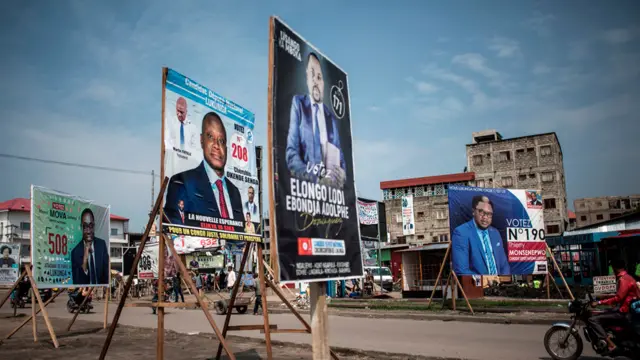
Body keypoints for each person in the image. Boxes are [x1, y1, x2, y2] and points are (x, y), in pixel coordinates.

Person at [165, 112, 244, 223]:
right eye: (210, 137)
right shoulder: (182, 182)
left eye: (221, 141)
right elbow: (174, 231)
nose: (217, 145)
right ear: (202, 140)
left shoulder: (235, 192)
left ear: (226, 148)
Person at [285, 52, 346, 188]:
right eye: (311, 75)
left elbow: (341, 160)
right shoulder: (299, 104)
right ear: (307, 79)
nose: (315, 81)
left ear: (323, 83)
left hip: (330, 196)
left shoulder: (331, 117)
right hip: (306, 193)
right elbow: (291, 154)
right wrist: (316, 180)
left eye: (319, 77)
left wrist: (342, 174)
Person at [589, 259, 640, 352]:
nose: (612, 271)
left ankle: (610, 344)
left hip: (623, 311)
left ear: (615, 268)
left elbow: (618, 298)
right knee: (605, 312)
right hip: (627, 309)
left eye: (612, 268)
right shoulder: (628, 277)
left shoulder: (623, 279)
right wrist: (603, 297)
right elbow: (621, 294)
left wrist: (599, 303)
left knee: (593, 319)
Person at [452, 195, 510, 275]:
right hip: (477, 286)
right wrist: (486, 282)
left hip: (499, 285)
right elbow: (462, 270)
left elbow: (504, 265)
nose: (485, 217)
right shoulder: (461, 232)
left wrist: (502, 282)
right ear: (473, 211)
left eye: (489, 214)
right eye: (481, 212)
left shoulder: (495, 233)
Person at [71, 208, 110, 285]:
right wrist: (85, 260)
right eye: (85, 226)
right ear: (81, 227)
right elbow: (77, 282)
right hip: (85, 296)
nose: (88, 231)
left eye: (91, 226)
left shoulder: (102, 245)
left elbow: (106, 276)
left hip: (100, 294)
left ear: (94, 226)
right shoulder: (75, 252)